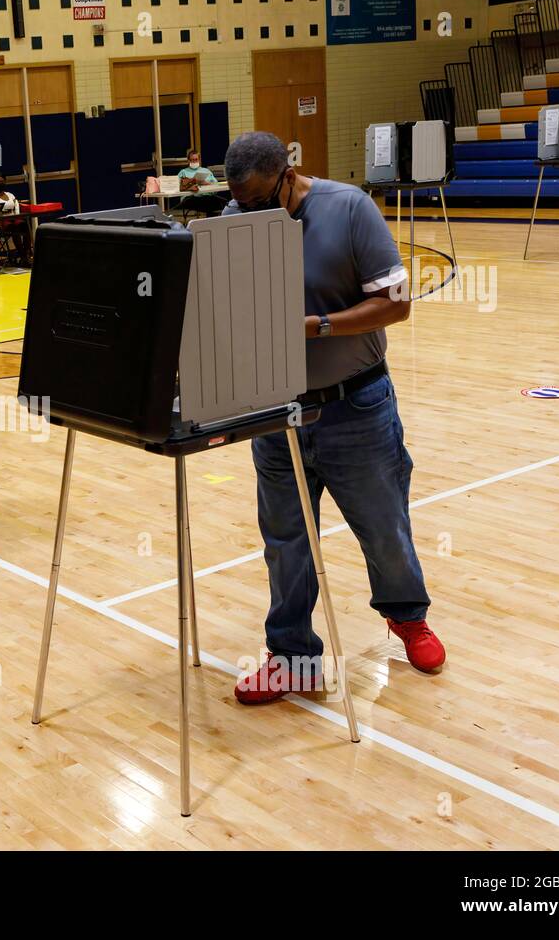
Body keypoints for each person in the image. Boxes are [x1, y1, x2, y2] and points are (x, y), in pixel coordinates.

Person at [220, 131, 445, 703]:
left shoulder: (350, 208)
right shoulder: (236, 217)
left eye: (254, 200)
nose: (243, 210)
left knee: (383, 525)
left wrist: (313, 325)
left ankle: (407, 619)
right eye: (237, 201)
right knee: (286, 541)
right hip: (275, 412)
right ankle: (293, 658)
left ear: (287, 176)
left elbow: (396, 305)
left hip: (357, 407)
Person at [175, 149, 227, 217]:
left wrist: (207, 183)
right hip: (191, 198)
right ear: (188, 160)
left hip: (207, 196)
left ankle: (212, 223)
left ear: (199, 160)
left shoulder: (206, 171)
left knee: (224, 203)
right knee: (209, 203)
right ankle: (209, 222)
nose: (194, 161)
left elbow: (216, 184)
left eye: (196, 159)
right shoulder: (183, 172)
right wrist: (192, 183)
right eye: (192, 160)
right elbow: (177, 186)